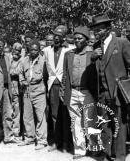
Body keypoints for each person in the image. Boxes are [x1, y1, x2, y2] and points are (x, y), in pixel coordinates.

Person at [90, 14, 130, 161]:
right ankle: (108, 154)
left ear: (107, 29)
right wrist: (93, 57)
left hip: (118, 93)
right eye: (94, 30)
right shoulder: (95, 47)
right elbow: (96, 70)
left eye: (99, 30)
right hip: (103, 94)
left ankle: (119, 157)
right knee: (105, 125)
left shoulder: (121, 43)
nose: (96, 33)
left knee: (119, 126)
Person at [60, 26, 97, 159]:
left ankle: (93, 147)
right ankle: (80, 150)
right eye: (75, 38)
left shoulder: (92, 53)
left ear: (86, 40)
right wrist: (64, 91)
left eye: (80, 38)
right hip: (73, 92)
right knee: (75, 123)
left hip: (88, 93)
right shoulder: (68, 54)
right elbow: (65, 75)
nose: (77, 41)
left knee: (89, 122)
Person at [44, 25, 73, 152]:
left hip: (65, 86)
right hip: (52, 87)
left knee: (66, 115)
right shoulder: (46, 51)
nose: (56, 38)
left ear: (64, 38)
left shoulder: (70, 49)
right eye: (54, 35)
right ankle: (57, 142)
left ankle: (67, 143)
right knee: (54, 115)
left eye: (59, 36)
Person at [18, 41, 48, 150]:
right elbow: (20, 73)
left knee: (40, 116)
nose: (33, 51)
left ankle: (42, 140)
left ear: (39, 50)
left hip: (39, 89)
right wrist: (22, 81)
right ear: (28, 50)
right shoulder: (24, 60)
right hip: (27, 90)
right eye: (31, 49)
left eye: (36, 50)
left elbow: (47, 75)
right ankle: (29, 137)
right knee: (27, 116)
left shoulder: (44, 60)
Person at [0, 37, 18, 144]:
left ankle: (8, 137)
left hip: (7, 90)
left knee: (8, 114)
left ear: (4, 47)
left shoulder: (7, 57)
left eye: (0, 46)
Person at [9, 42, 23, 138]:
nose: (16, 52)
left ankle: (16, 131)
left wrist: (12, 72)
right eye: (15, 49)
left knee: (17, 110)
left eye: (19, 50)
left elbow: (18, 71)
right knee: (8, 110)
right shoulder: (8, 58)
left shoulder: (22, 60)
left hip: (17, 88)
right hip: (7, 87)